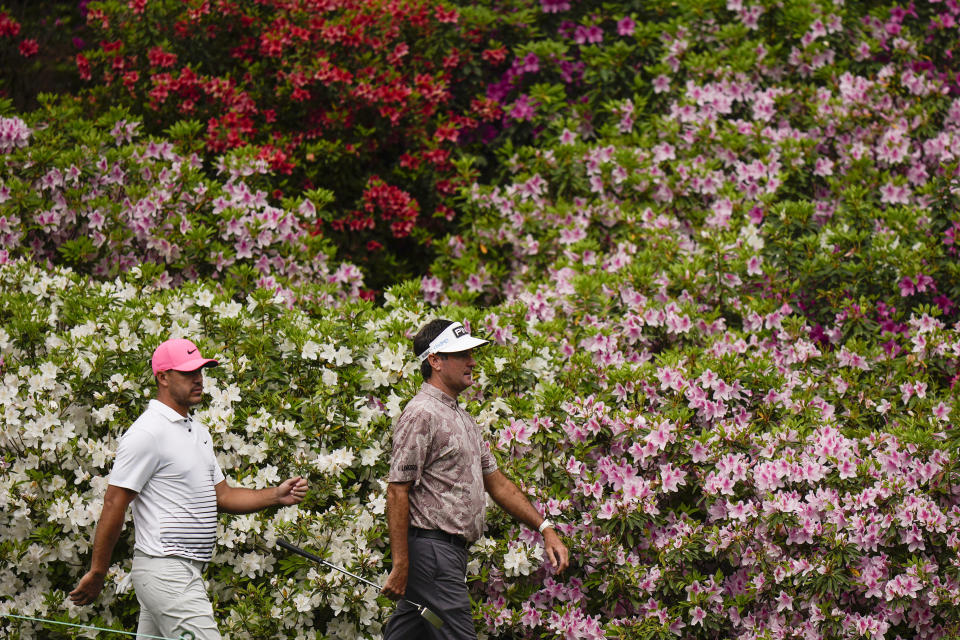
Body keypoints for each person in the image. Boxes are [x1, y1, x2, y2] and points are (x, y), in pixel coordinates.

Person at [69, 337, 309, 640]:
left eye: (201, 371)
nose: (198, 379)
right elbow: (114, 502)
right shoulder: (147, 432)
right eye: (187, 373)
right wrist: (98, 572)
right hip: (166, 571)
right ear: (163, 377)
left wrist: (275, 494)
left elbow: (222, 495)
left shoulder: (198, 431)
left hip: (184, 571)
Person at [381, 319, 569, 639]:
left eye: (471, 352)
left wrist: (545, 527)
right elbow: (398, 491)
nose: (472, 361)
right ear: (435, 360)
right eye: (461, 354)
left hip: (446, 555)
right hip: (434, 555)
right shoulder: (421, 413)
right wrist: (400, 565)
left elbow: (497, 483)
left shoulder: (463, 417)